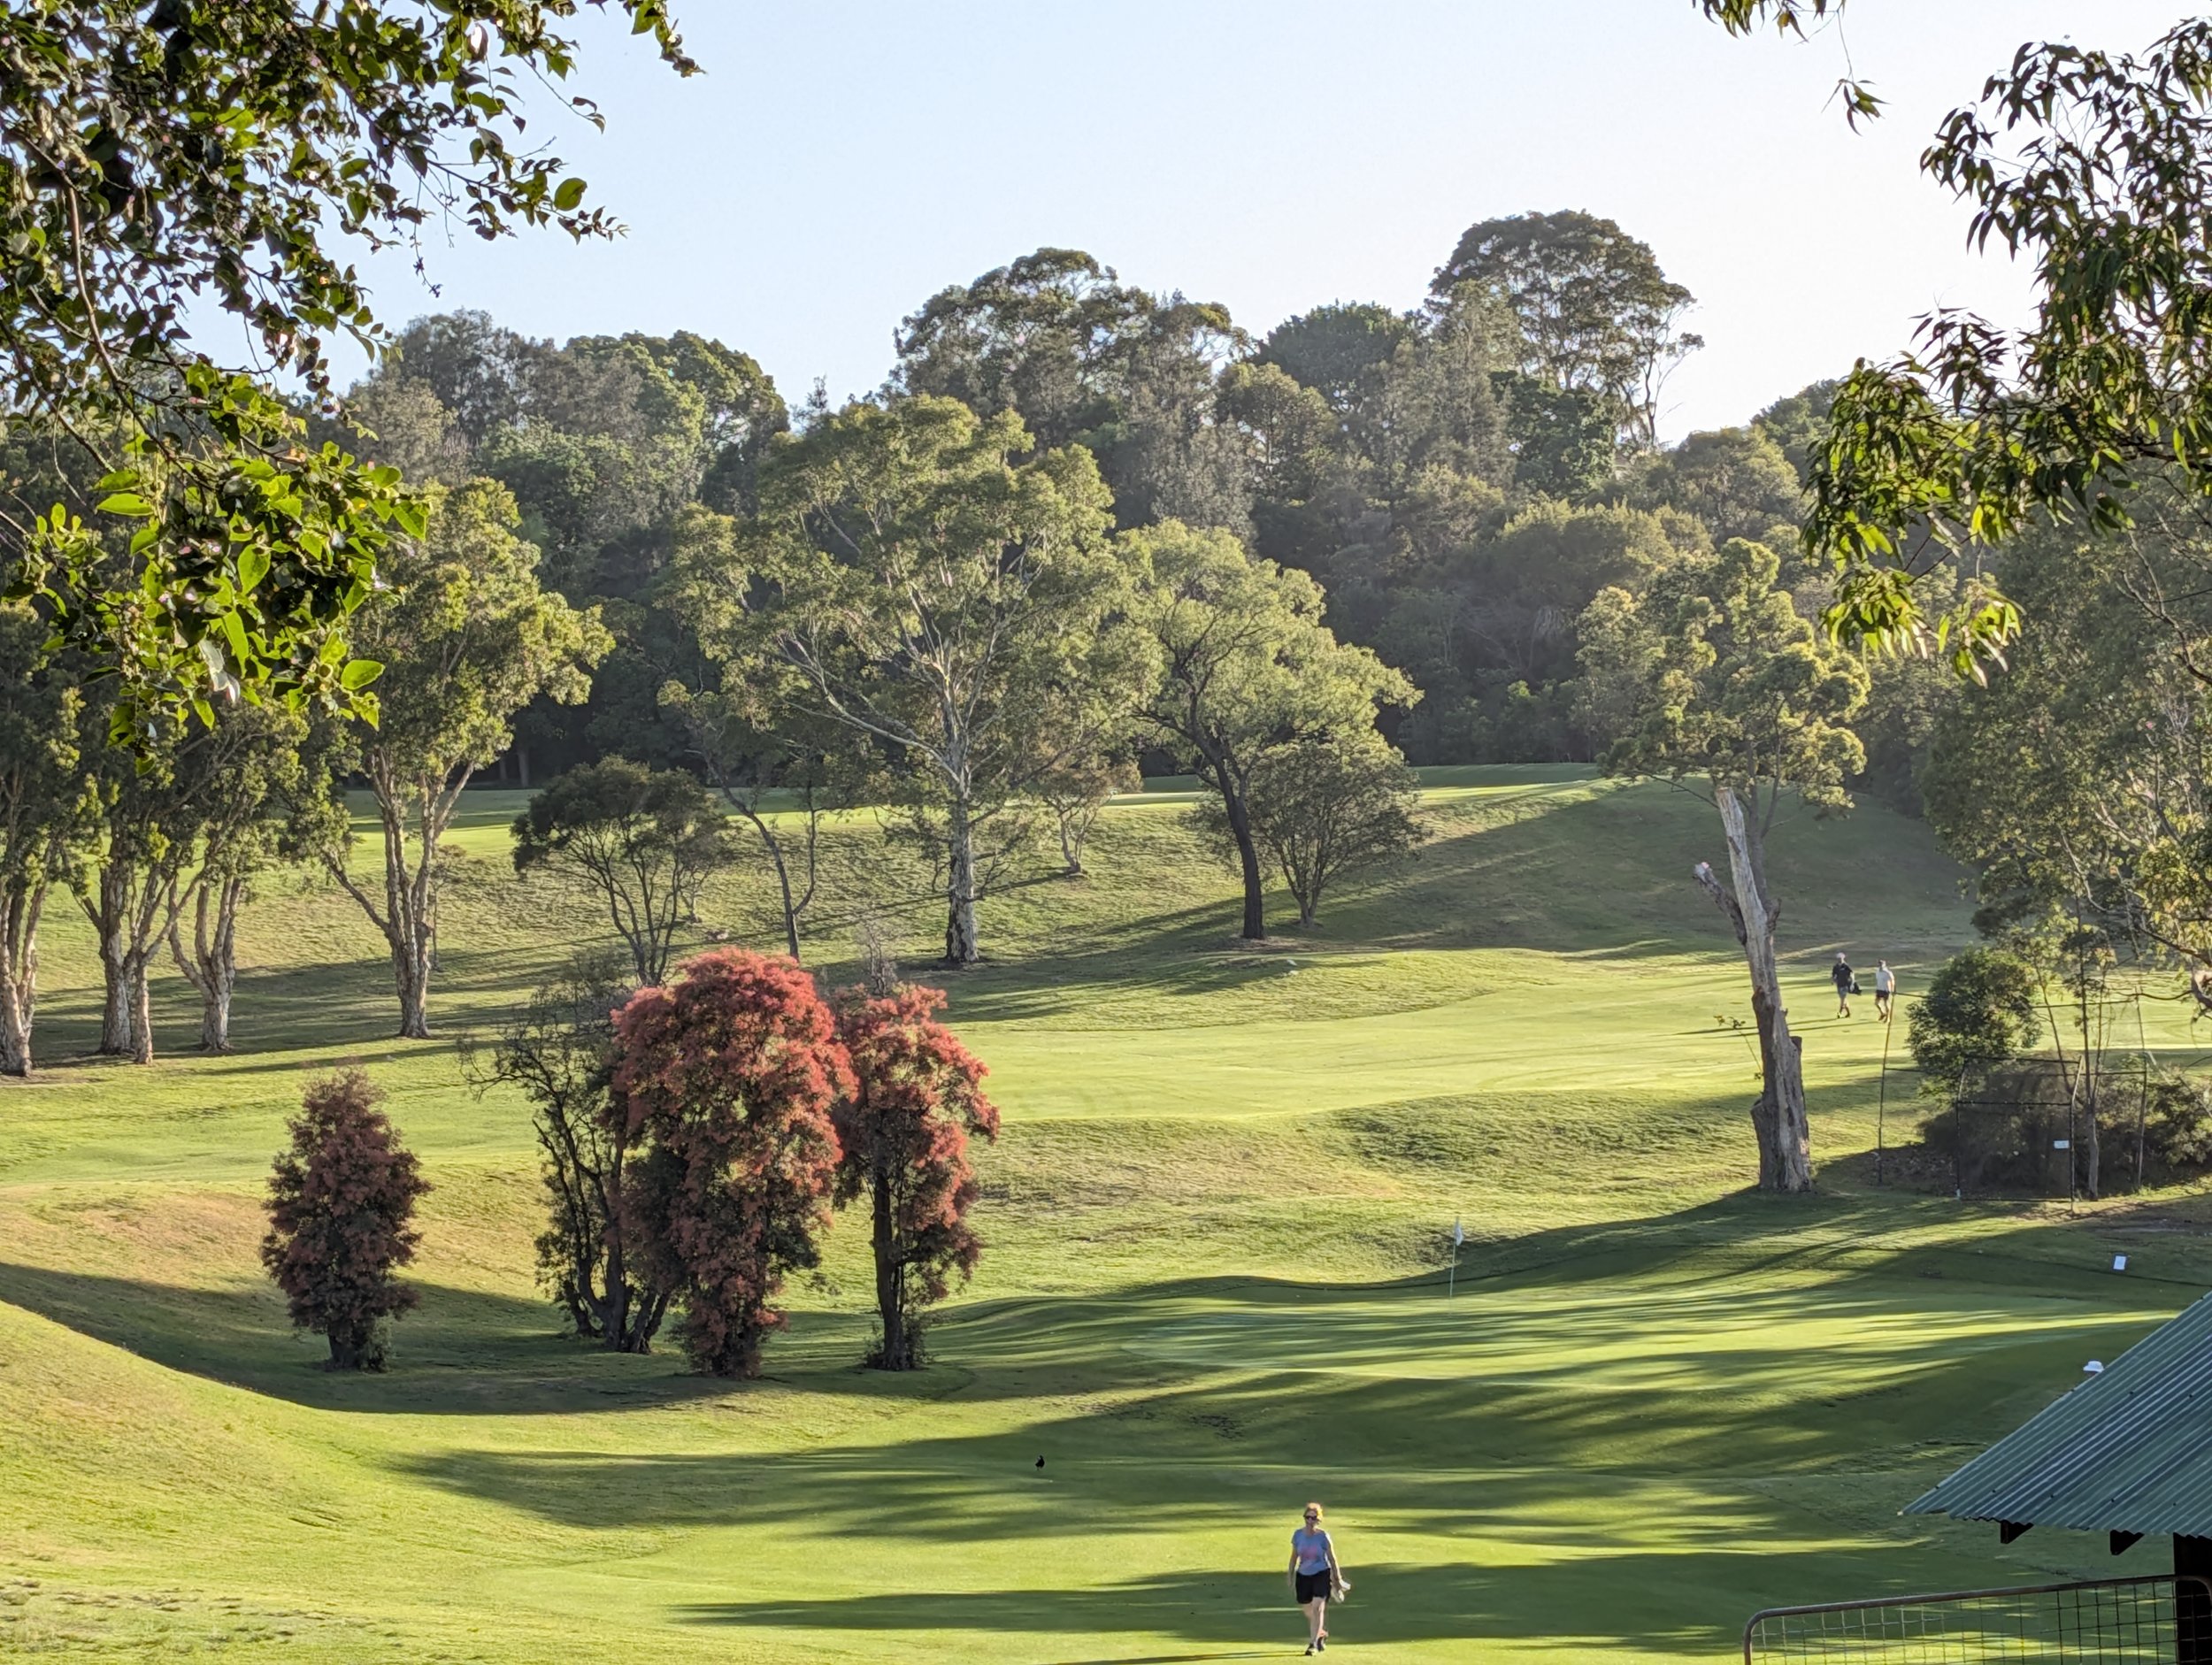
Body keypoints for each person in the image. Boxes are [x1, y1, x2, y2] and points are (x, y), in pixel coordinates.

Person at [1288, 1501, 1347, 1653]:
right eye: (1307, 1517)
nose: (1310, 1521)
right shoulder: (1298, 1535)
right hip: (1303, 1576)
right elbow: (1294, 1558)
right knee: (1308, 1609)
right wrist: (1290, 1575)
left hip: (1321, 1574)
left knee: (1317, 1608)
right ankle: (1321, 1633)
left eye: (1313, 1518)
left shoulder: (1323, 1537)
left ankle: (1313, 1644)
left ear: (1318, 1520)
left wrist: (1338, 1578)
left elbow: (1332, 1559)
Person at [1831, 952, 1855, 1018]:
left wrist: (1852, 982)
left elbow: (1852, 973)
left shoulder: (1846, 966)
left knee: (1843, 999)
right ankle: (1849, 1013)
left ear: (1843, 958)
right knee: (1843, 1000)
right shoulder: (1836, 967)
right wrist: (1833, 981)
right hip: (1839, 985)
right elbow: (1834, 975)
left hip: (1845, 985)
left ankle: (1840, 1012)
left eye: (1841, 958)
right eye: (1839, 958)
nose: (1840, 959)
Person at [1873, 960, 1896, 1024]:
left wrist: (1893, 990)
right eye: (1879, 964)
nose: (1880, 965)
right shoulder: (1877, 972)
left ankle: (1888, 1018)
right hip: (1879, 989)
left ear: (1884, 965)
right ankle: (1883, 1013)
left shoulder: (1888, 973)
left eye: (1881, 964)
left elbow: (1892, 981)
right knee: (1876, 1003)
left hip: (1886, 990)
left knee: (1886, 1004)